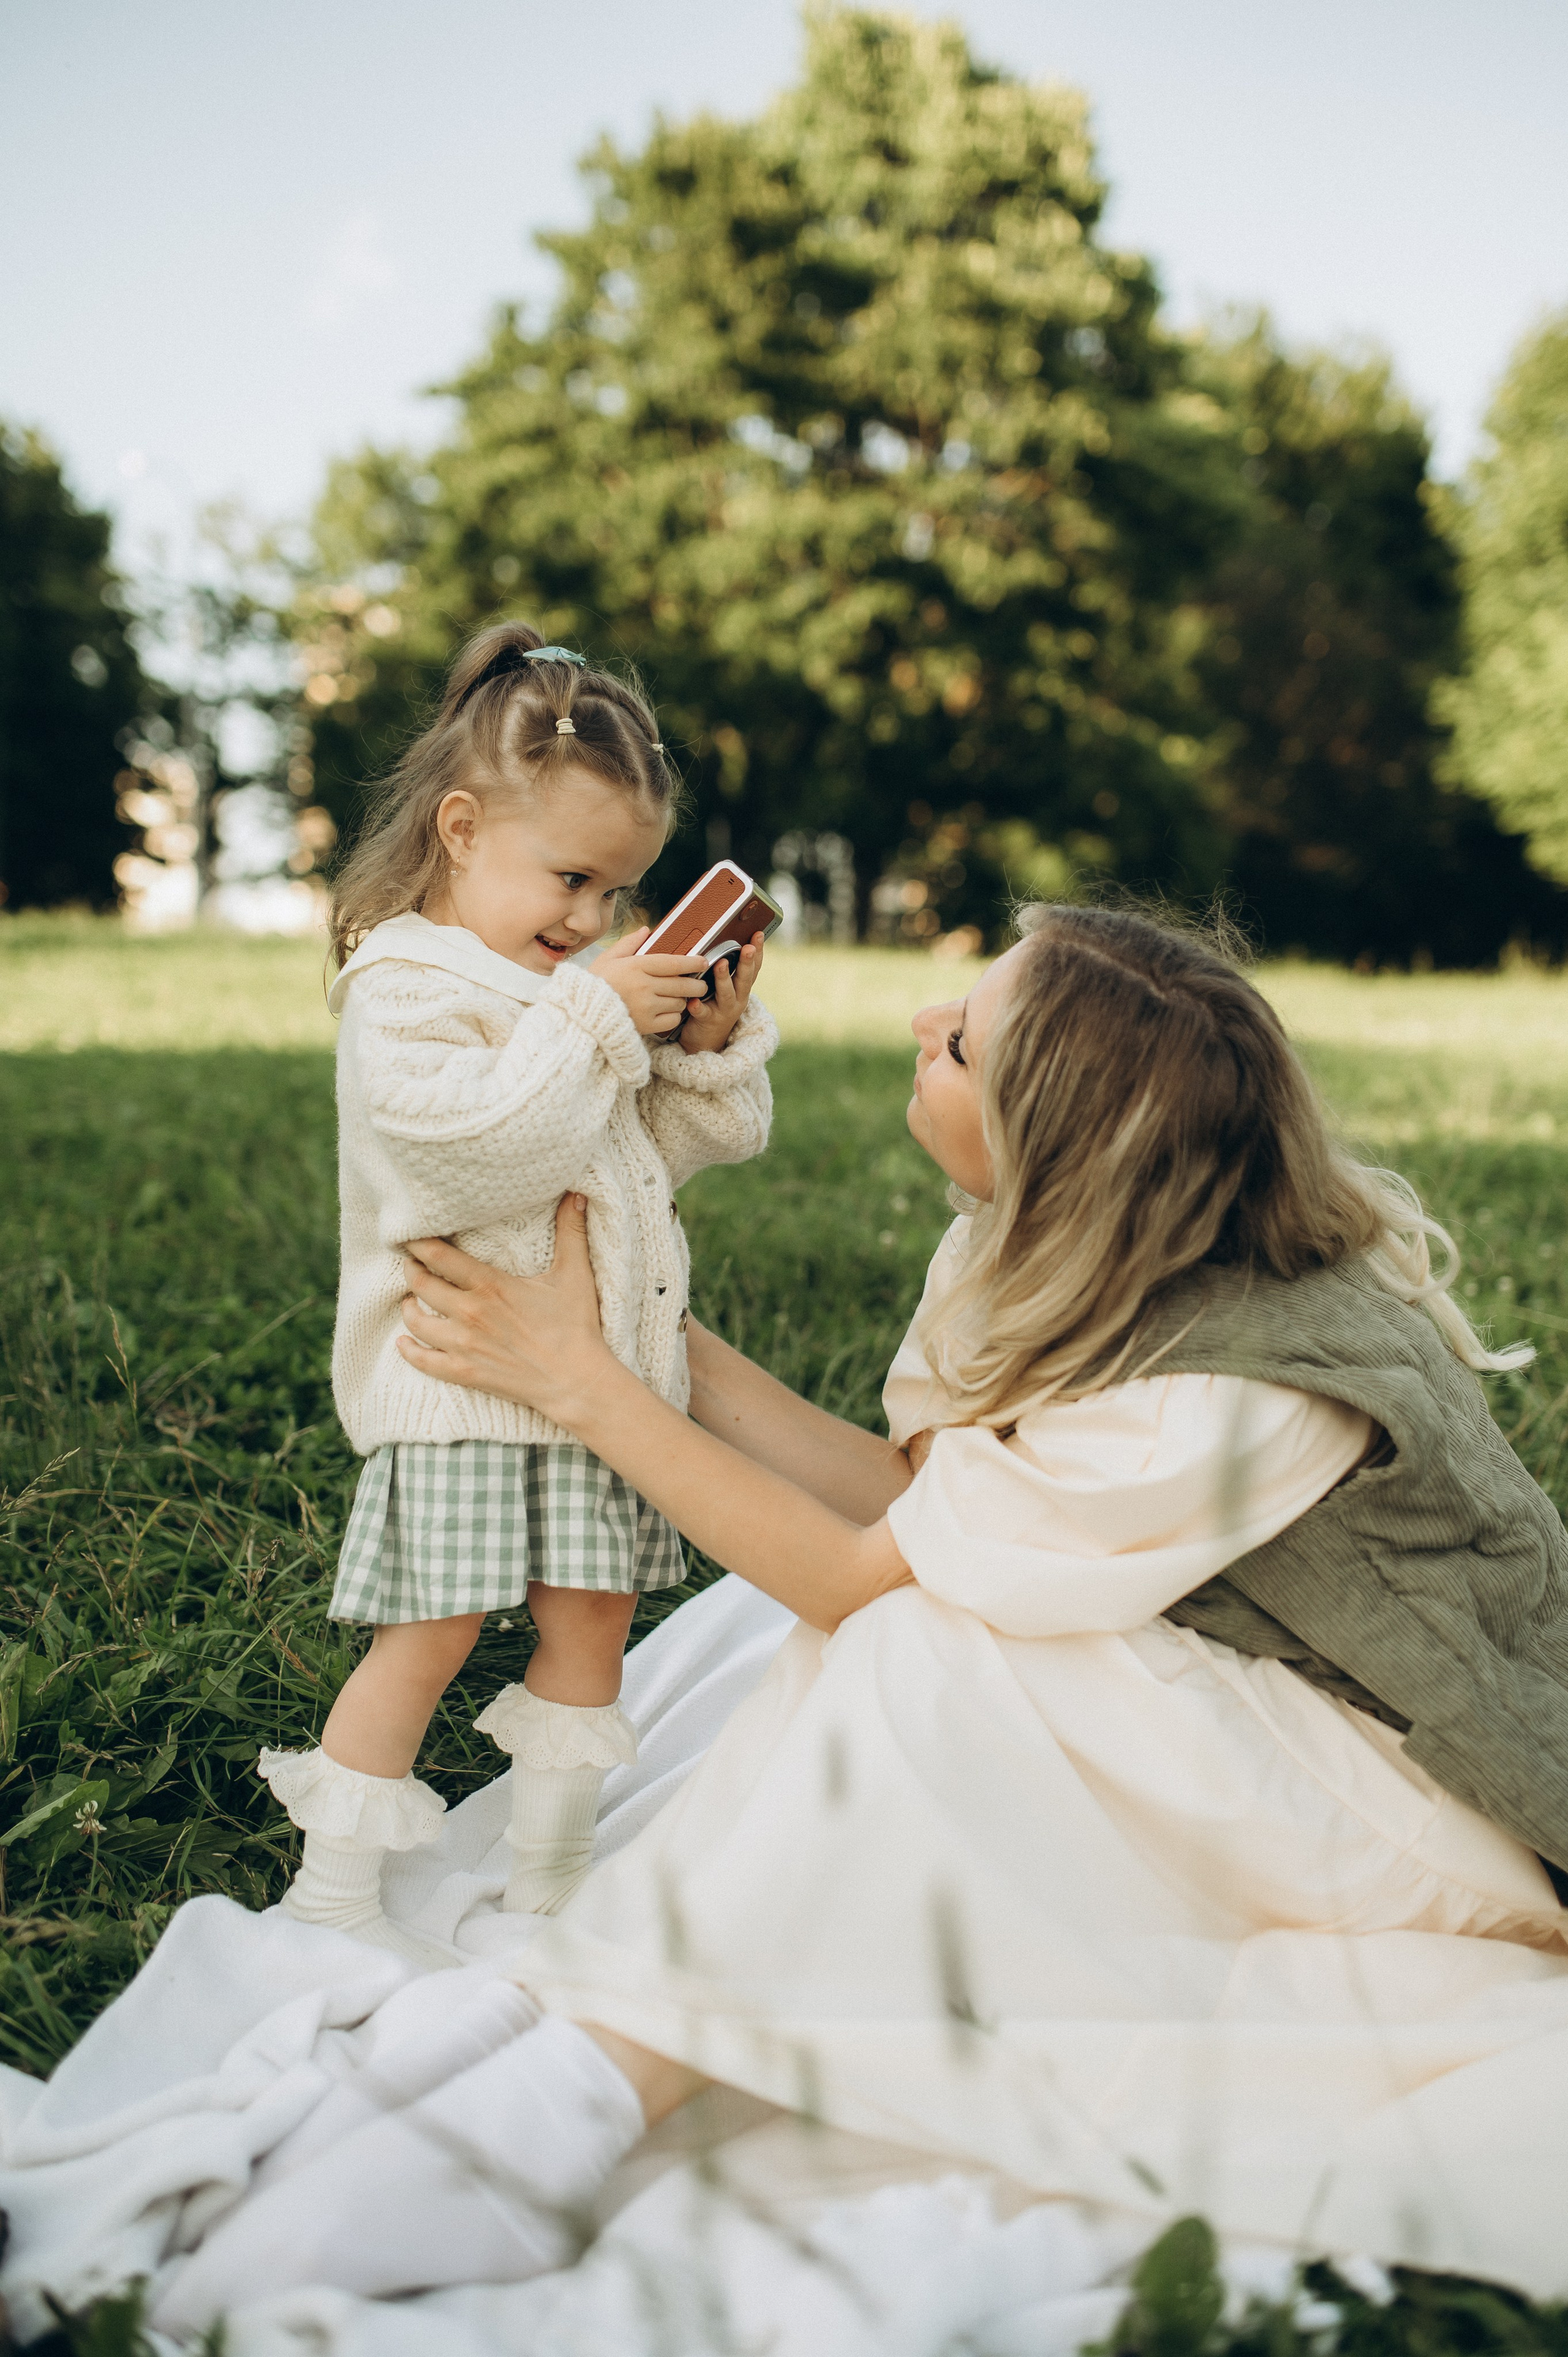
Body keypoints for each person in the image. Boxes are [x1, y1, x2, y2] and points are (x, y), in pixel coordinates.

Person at [155, 904, 1568, 2334]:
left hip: (1428, 1810)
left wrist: (590, 1386)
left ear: (1050, 1143)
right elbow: (916, 1496)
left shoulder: (1229, 1400)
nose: (918, 1027)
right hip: (1275, 1701)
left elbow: (868, 1574)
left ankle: (581, 2091)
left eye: (962, 1041)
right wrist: (639, 1334)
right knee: (806, 1649)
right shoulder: (1104, 1252)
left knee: (911, 1659)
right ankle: (607, 2046)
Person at [256, 622, 776, 1964]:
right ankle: (331, 1897)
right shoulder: (406, 986)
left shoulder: (561, 991)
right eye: (571, 877)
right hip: (459, 1385)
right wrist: (599, 1022)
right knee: (427, 1636)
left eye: (617, 892)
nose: (591, 919)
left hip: (587, 1390)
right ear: (462, 826)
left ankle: (552, 1878)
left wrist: (696, 1056)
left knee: (591, 1626)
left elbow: (632, 1164)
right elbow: (466, 1160)